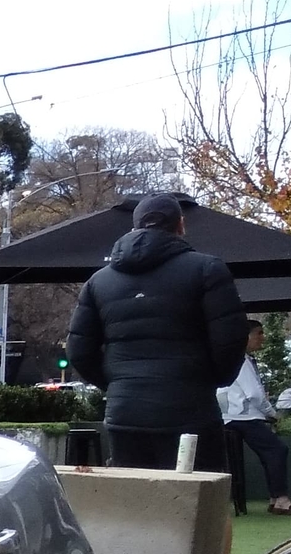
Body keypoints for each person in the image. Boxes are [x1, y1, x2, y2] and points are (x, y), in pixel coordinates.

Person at [64, 194, 247, 470]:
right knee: (197, 502)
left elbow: (79, 350)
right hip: (190, 408)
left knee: (136, 504)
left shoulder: (98, 282)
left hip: (125, 411)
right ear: (181, 225)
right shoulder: (207, 269)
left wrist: (118, 383)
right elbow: (230, 340)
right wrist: (212, 380)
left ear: (134, 227)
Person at [219, 321, 291, 516]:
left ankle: (276, 498)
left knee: (271, 450)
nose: (262, 337)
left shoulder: (236, 358)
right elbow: (254, 394)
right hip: (241, 416)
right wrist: (272, 414)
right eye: (259, 333)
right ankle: (280, 499)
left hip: (233, 415)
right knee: (277, 449)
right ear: (245, 336)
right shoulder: (241, 361)